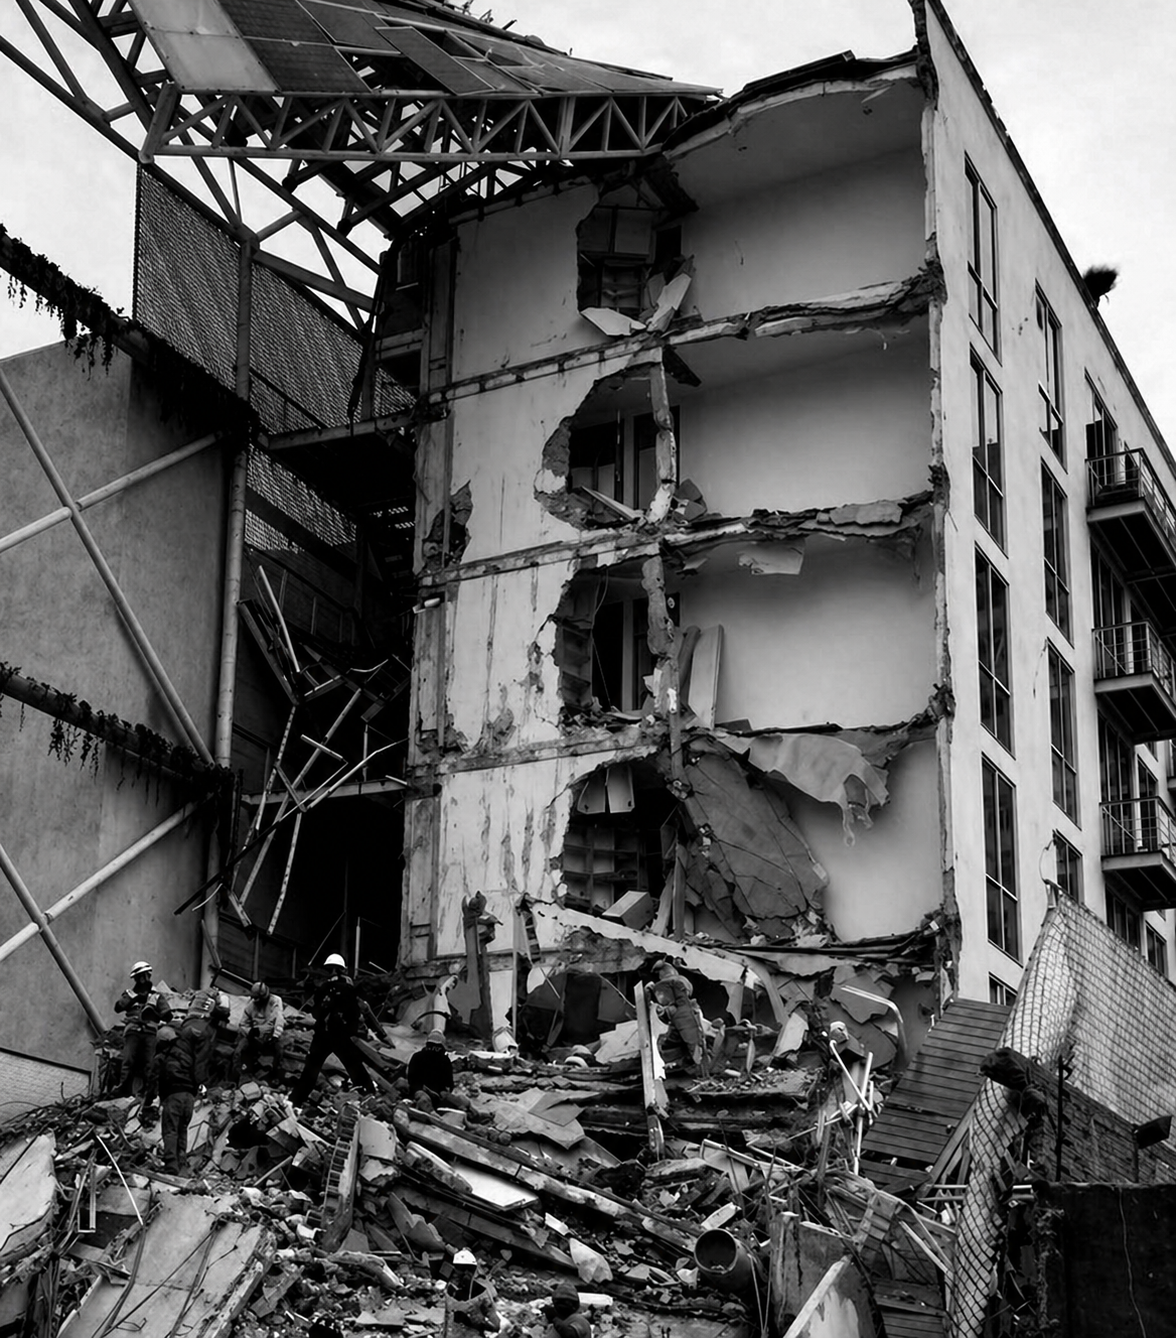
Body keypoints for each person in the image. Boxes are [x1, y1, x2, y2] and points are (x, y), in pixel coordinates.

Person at [290, 954, 375, 1104]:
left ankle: (296, 1099)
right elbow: (355, 1014)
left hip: (323, 1034)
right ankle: (369, 1092)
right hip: (341, 1035)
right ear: (343, 969)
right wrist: (350, 1031)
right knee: (353, 1064)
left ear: (330, 970)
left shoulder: (324, 988)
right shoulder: (349, 989)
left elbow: (316, 1012)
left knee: (311, 1069)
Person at [113, 960, 173, 1116]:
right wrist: (134, 999)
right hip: (133, 1030)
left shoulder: (156, 995)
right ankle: (123, 1092)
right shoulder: (130, 993)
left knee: (149, 1065)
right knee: (128, 1061)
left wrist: (158, 1013)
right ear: (136, 978)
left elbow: (168, 1015)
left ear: (148, 975)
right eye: (140, 976)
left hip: (150, 1032)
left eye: (145, 975)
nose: (143, 979)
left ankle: (148, 1095)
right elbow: (118, 1007)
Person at [155, 1025, 199, 1175]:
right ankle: (182, 1166)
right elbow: (197, 1075)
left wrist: (150, 1102)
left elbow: (154, 1082)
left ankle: (171, 1166)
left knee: (170, 1131)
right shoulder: (187, 1056)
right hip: (189, 1098)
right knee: (182, 1130)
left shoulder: (161, 1058)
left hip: (174, 1096)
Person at [233, 981, 287, 1081]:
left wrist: (275, 1035)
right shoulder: (251, 1005)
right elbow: (243, 1024)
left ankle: (276, 1076)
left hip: (270, 1035)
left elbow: (278, 1019)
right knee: (239, 1051)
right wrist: (250, 1032)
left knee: (279, 1051)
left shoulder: (275, 1001)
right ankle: (240, 1076)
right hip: (254, 1035)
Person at [178, 986, 231, 1087]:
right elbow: (224, 1013)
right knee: (201, 1060)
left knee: (185, 1057)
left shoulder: (196, 998)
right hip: (202, 1028)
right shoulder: (213, 1001)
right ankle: (201, 1086)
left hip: (186, 1026)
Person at [446, 1248, 501, 1335]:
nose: (459, 1273)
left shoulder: (482, 1292)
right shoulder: (453, 1286)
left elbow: (494, 1322)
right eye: (458, 1269)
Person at [405, 1030, 456, 1109]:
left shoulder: (417, 1056)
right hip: (437, 1095)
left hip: (417, 1091)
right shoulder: (445, 1060)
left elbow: (410, 1077)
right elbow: (449, 1083)